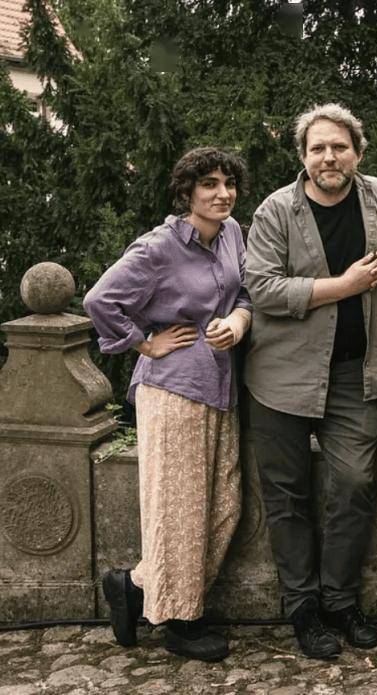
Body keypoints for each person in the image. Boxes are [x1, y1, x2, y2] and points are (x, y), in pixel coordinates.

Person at [244, 103, 377, 659]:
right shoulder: (276, 210)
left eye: (339, 147)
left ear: (358, 152)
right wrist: (343, 286)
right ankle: (302, 608)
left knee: (353, 484)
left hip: (356, 375)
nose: (329, 157)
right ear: (303, 156)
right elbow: (261, 287)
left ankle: (341, 601)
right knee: (287, 496)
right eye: (318, 148)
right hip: (280, 376)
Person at [84, 147, 251, 662]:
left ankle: (134, 587)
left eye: (228, 184)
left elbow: (244, 293)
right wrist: (144, 343)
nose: (222, 194)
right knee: (179, 511)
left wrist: (236, 322)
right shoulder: (158, 247)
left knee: (226, 506)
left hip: (219, 384)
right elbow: (99, 301)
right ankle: (181, 622)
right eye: (209, 185)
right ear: (186, 192)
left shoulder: (232, 233)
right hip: (173, 390)